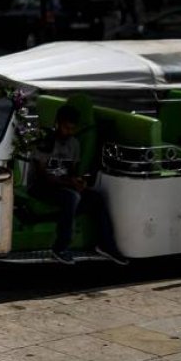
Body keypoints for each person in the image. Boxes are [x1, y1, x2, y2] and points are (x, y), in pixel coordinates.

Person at [31, 104, 128, 266]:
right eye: (66, 128)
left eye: (72, 129)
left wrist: (79, 181)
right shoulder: (46, 141)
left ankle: (106, 246)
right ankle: (60, 247)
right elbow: (43, 177)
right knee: (72, 197)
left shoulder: (74, 144)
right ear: (57, 123)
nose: (69, 132)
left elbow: (72, 172)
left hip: (64, 187)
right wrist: (71, 183)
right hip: (42, 188)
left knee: (96, 198)